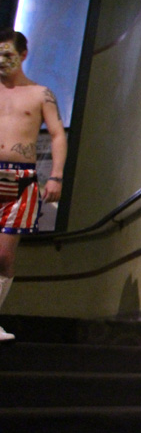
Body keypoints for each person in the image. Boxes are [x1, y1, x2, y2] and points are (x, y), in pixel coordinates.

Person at [0, 29, 67, 341]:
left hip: (19, 176)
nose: (2, 61)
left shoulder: (41, 94)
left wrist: (56, 175)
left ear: (23, 54)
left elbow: (57, 134)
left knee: (4, 255)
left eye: (8, 55)